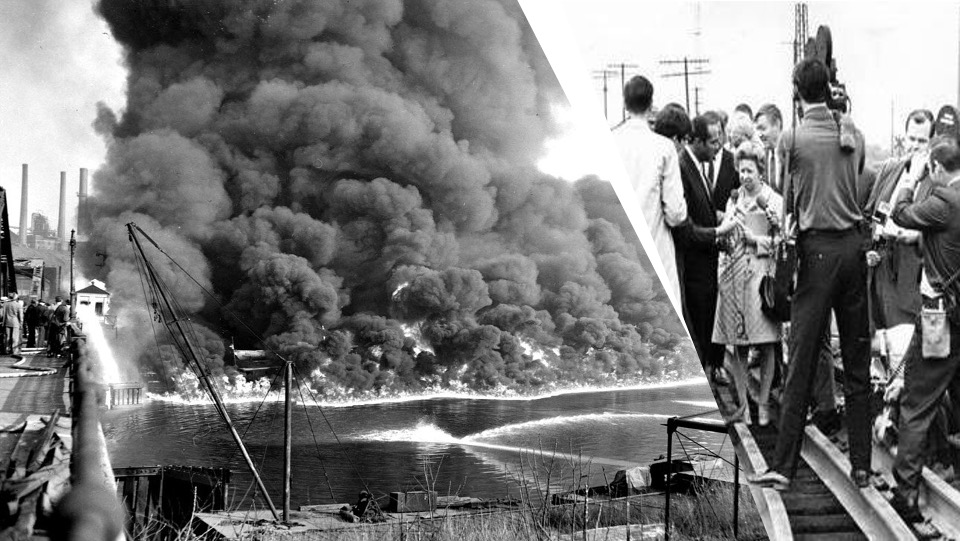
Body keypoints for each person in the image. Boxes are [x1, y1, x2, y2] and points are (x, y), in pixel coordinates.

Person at [750, 58, 870, 491]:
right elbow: (854, 176)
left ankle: (783, 466)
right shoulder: (852, 134)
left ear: (797, 91)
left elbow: (787, 202)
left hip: (816, 253)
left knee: (800, 360)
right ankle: (862, 466)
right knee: (856, 361)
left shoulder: (791, 138)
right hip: (854, 251)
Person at [887, 136, 960, 523]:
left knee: (917, 404)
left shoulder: (944, 200)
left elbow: (899, 211)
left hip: (940, 322)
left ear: (935, 168)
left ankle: (906, 493)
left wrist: (911, 177)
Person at [865, 109, 934, 443]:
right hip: (879, 268)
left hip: (909, 272)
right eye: (912, 139)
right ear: (903, 138)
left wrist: (904, 231)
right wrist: (878, 230)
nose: (915, 147)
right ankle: (884, 413)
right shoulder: (891, 168)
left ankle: (899, 423)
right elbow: (871, 209)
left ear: (931, 143)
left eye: (922, 141)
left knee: (902, 347)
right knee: (878, 345)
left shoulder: (932, 182)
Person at [712, 141, 783, 426]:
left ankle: (763, 403)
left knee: (766, 344)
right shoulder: (733, 200)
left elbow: (783, 241)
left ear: (760, 171)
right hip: (735, 277)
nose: (745, 176)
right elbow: (727, 238)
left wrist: (759, 241)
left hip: (762, 278)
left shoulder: (773, 200)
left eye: (750, 170)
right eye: (741, 170)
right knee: (738, 344)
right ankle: (743, 403)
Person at [674, 111, 740, 384]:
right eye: (713, 142)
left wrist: (716, 217)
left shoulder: (695, 165)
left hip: (707, 266)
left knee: (706, 325)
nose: (718, 148)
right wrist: (717, 231)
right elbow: (686, 229)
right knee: (699, 330)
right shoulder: (682, 167)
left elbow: (700, 210)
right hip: (696, 269)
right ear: (696, 141)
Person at [612, 75, 688, 306]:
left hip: (618, 250)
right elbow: (676, 213)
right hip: (656, 250)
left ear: (625, 104)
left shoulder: (611, 142)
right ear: (651, 104)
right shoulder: (664, 148)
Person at [754, 104, 784, 193]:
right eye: (758, 130)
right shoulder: (762, 158)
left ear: (777, 125)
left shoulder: (791, 153)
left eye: (762, 129)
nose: (759, 134)